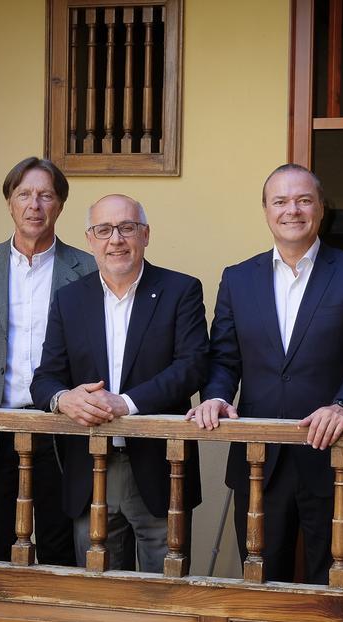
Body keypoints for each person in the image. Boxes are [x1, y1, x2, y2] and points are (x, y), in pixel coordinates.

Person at [188, 164, 343, 584]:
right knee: (260, 584)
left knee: (335, 585)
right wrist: (217, 396)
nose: (292, 210)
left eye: (303, 200)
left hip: (336, 455)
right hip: (260, 460)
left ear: (320, 208)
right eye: (280, 201)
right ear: (265, 210)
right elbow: (224, 357)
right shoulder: (238, 279)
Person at [30, 195, 209, 572]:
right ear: (89, 239)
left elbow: (192, 366)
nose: (116, 239)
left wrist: (125, 403)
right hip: (91, 469)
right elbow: (45, 379)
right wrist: (64, 399)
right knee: (99, 595)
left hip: (160, 469)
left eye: (127, 228)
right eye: (104, 230)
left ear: (145, 235)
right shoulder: (69, 300)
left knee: (165, 594)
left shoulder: (181, 291)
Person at [0, 157, 96, 565]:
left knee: (60, 546)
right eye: (24, 194)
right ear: (9, 203)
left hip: (62, 428)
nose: (34, 204)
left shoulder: (87, 268)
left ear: (60, 205)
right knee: (1, 543)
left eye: (46, 195)